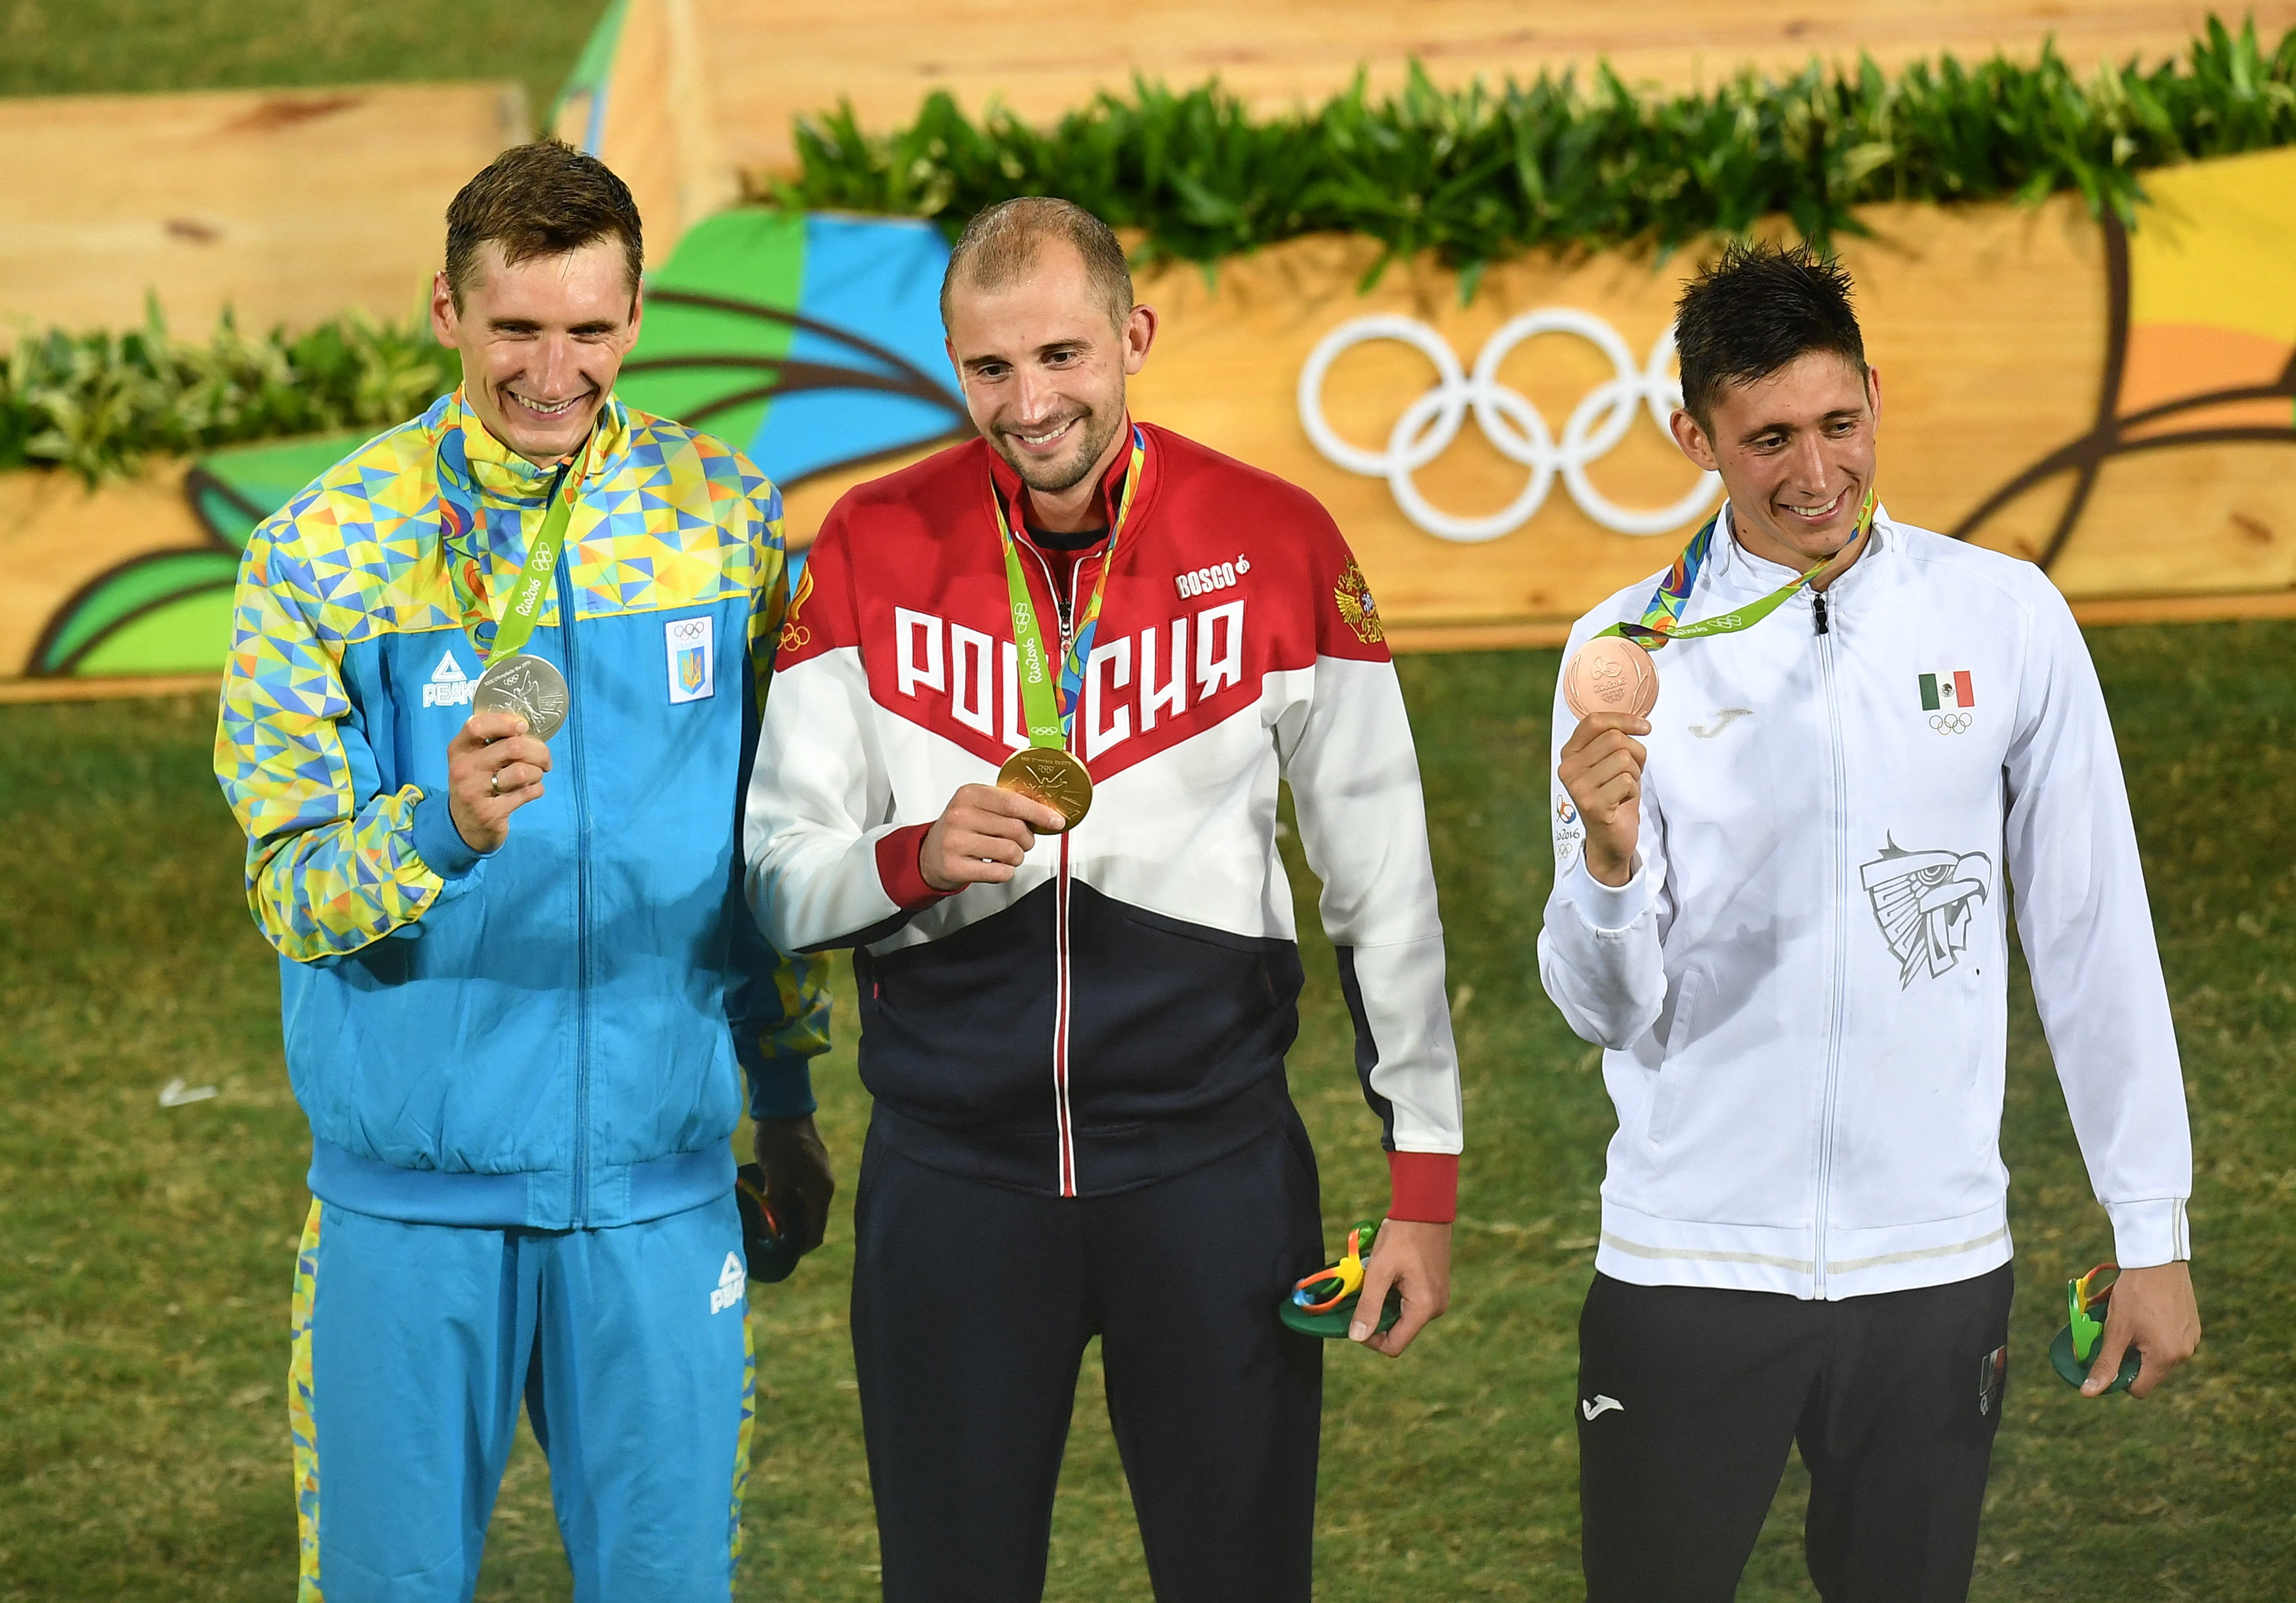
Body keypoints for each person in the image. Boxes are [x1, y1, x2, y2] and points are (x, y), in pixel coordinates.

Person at [743, 197, 1464, 1602]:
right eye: (990, 369)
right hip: (954, 1185)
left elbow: (1385, 882)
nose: (1029, 402)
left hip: (1210, 1176)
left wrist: (1421, 1184)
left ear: (1132, 336)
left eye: (1063, 356)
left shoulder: (1278, 540)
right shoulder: (867, 546)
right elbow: (775, 875)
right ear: (951, 365)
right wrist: (906, 858)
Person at [213, 139, 833, 1602]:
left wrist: (789, 1102)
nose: (554, 371)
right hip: (406, 1208)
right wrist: (435, 831)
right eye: (516, 329)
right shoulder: (321, 554)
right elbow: (288, 889)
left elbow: (765, 852)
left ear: (635, 318)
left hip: (660, 1196)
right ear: (447, 309)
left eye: (589, 329)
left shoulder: (725, 520)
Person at [1540, 240, 2202, 1602]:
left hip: (1932, 1268)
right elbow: (1601, 1007)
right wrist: (1607, 866)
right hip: (1686, 1267)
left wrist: (2152, 1229)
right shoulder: (1627, 652)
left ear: (1875, 399)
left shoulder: (2004, 616)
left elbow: (2090, 932)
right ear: (1694, 437)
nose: (1816, 472)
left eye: (1839, 423)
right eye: (1767, 437)